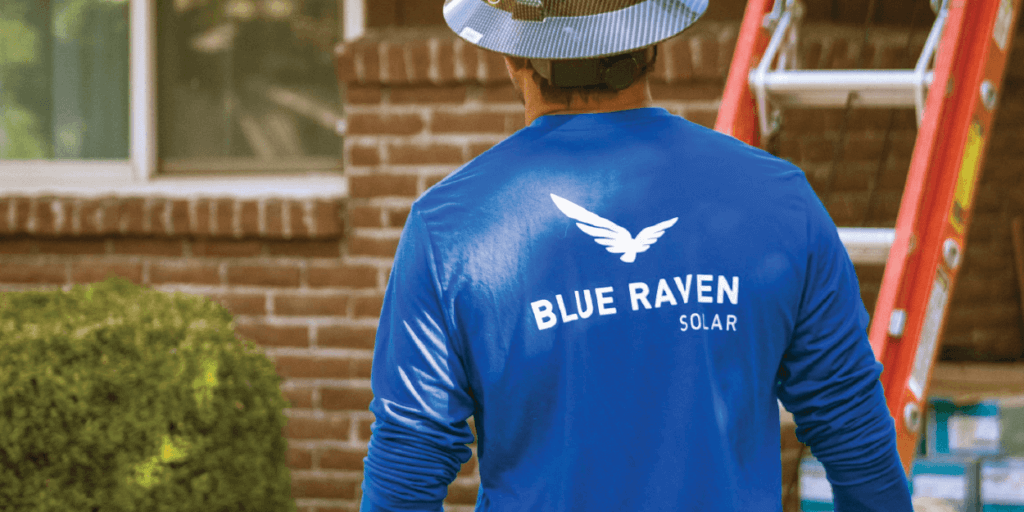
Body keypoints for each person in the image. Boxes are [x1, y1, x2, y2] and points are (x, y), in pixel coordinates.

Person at [360, 0, 914, 510]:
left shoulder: (451, 227)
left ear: (511, 53)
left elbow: (410, 461)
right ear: (653, 42)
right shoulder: (779, 199)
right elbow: (853, 434)